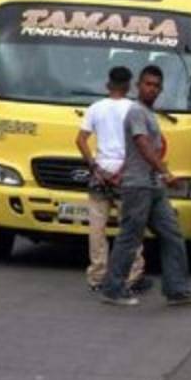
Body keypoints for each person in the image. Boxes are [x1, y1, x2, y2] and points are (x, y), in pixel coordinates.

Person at [99, 66, 191, 307]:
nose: (152, 89)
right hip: (139, 186)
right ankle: (113, 289)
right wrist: (165, 172)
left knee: (172, 235)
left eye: (156, 86)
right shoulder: (137, 111)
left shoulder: (149, 113)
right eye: (148, 84)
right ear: (138, 85)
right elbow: (142, 144)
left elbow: (136, 151)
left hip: (152, 186)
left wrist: (130, 173)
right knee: (130, 237)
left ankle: (176, 289)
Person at [74, 66, 150, 296]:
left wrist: (95, 166)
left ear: (108, 84)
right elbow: (140, 144)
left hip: (100, 173)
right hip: (126, 175)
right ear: (128, 86)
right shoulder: (135, 110)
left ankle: (97, 275)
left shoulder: (95, 108)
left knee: (97, 228)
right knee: (130, 228)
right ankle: (133, 275)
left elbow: (80, 140)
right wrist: (123, 170)